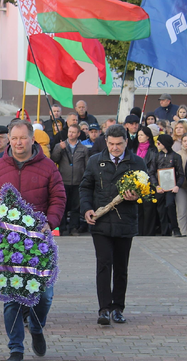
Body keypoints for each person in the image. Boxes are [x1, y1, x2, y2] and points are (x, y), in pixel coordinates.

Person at [0, 120, 65, 361]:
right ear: (9, 139)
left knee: (44, 296)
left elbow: (59, 197)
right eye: (14, 138)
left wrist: (50, 222)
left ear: (32, 139)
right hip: (8, 243)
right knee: (12, 297)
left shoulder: (49, 167)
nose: (18, 143)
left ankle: (37, 328)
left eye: (23, 138)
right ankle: (16, 348)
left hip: (38, 242)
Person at [81, 124, 148, 325]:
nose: (115, 148)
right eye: (111, 144)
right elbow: (85, 187)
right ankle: (104, 309)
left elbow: (147, 191)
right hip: (100, 222)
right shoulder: (95, 161)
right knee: (103, 264)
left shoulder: (137, 162)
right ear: (106, 142)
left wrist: (137, 195)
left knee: (121, 267)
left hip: (125, 222)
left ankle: (118, 308)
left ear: (126, 142)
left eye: (119, 144)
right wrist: (86, 208)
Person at [51, 124, 89, 236]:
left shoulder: (84, 149)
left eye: (73, 132)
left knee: (75, 207)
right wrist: (59, 149)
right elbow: (54, 159)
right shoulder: (61, 145)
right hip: (63, 181)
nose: (71, 134)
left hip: (78, 181)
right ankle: (62, 229)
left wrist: (85, 180)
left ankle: (74, 228)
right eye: (69, 131)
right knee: (62, 206)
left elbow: (87, 166)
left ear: (78, 134)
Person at [150, 134, 185, 237]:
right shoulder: (156, 156)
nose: (157, 144)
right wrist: (156, 185)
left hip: (171, 187)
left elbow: (181, 174)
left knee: (170, 205)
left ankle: (175, 228)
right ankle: (165, 232)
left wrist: (177, 185)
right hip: (160, 187)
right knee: (161, 209)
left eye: (159, 143)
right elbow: (151, 172)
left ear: (165, 144)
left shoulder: (175, 156)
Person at [136, 126, 159, 236]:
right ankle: (139, 231)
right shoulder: (134, 149)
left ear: (148, 136)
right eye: (138, 135)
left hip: (148, 182)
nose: (139, 137)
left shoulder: (153, 150)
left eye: (141, 135)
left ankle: (149, 232)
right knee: (138, 209)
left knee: (148, 209)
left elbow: (153, 167)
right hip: (136, 183)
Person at [175, 133, 187, 237]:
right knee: (181, 210)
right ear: (181, 142)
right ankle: (182, 232)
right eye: (185, 141)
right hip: (181, 186)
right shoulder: (178, 154)